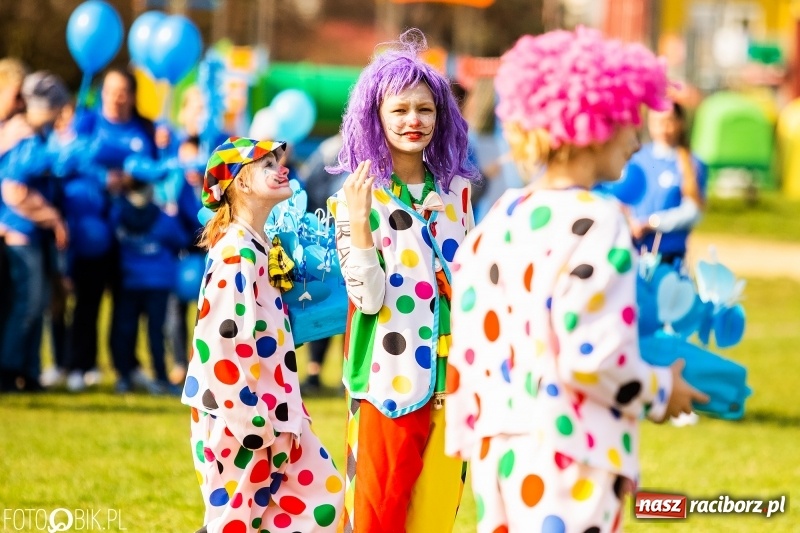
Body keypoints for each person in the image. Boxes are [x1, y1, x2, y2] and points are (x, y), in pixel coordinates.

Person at [443, 27, 709, 533]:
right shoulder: (600, 218)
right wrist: (661, 390)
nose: (636, 139)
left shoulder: (499, 215)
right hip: (571, 458)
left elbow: (470, 346)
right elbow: (594, 359)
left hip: (497, 453)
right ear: (596, 121)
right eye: (629, 118)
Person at [327, 29, 480, 533]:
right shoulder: (354, 199)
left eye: (425, 110)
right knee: (377, 518)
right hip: (387, 383)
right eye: (400, 110)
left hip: (453, 384)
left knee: (436, 518)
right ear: (376, 117)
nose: (414, 121)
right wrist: (358, 220)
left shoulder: (457, 195)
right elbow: (367, 299)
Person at [182, 137, 343, 533]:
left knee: (321, 504)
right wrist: (251, 421)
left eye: (279, 160)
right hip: (245, 418)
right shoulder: (237, 252)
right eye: (267, 164)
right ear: (240, 183)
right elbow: (221, 342)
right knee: (238, 522)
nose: (282, 168)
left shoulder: (260, 246)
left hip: (277, 412)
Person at [66, 67, 157, 391]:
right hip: (90, 230)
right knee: (87, 301)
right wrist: (105, 179)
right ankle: (79, 365)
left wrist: (131, 180)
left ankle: (125, 367)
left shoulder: (142, 130)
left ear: (132, 96)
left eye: (123, 91)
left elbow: (151, 171)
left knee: (125, 307)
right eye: (110, 89)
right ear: (101, 92)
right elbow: (71, 161)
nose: (116, 97)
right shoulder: (87, 122)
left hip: (130, 235)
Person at [0, 71, 70, 392]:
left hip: (31, 236)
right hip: (20, 235)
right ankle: (9, 369)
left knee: (37, 304)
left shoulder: (32, 136)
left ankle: (28, 372)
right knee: (26, 306)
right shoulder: (25, 139)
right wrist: (52, 216)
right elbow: (13, 190)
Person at [109, 179, 189, 395]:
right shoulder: (164, 218)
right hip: (159, 282)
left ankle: (125, 377)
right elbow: (181, 240)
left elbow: (111, 240)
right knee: (156, 332)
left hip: (129, 281)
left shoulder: (118, 214)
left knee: (126, 330)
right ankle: (161, 378)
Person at [614, 102, 708, 265]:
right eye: (657, 122)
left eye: (668, 121)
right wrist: (630, 222)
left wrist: (652, 224)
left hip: (669, 256)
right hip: (632, 252)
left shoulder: (691, 163)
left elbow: (693, 211)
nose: (663, 128)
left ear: (680, 123)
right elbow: (619, 197)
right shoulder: (635, 158)